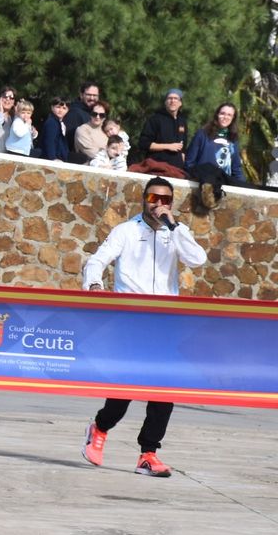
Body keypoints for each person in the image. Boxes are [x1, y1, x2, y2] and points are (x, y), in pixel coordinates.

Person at [80, 178, 207, 477]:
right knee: (125, 390)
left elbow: (197, 260)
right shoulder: (125, 231)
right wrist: (95, 285)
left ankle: (148, 454)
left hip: (165, 323)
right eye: (153, 197)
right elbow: (97, 260)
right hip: (131, 322)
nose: (158, 204)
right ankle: (99, 428)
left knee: (163, 391)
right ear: (143, 199)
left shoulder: (176, 233)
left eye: (165, 199)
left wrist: (175, 227)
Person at [184, 102, 246, 209]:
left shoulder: (233, 139)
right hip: (204, 179)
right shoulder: (202, 134)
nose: (225, 117)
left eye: (229, 115)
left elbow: (236, 168)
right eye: (222, 113)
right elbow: (190, 161)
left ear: (233, 118)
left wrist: (244, 187)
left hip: (223, 181)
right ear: (217, 114)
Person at [133, 89, 189, 176]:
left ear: (180, 103)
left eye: (176, 98)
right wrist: (168, 146)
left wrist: (183, 164)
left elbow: (183, 149)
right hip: (157, 168)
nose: (172, 101)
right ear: (165, 102)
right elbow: (144, 143)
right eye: (169, 98)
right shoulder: (155, 119)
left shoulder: (182, 122)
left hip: (177, 170)